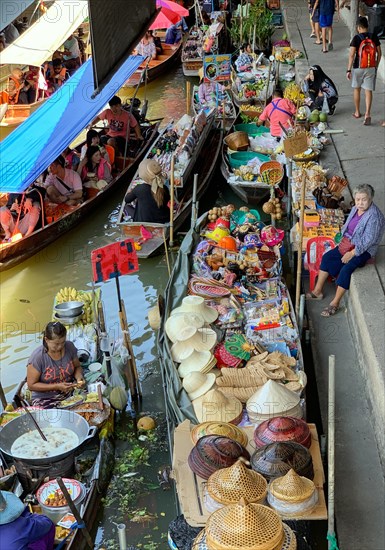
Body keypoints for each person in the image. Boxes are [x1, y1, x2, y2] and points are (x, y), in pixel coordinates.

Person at [306, 184, 385, 317]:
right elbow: (347, 227)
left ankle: (335, 303)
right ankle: (318, 290)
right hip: (347, 243)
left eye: (364, 199)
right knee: (327, 257)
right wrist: (340, 239)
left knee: (346, 269)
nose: (360, 202)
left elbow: (368, 240)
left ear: (371, 199)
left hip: (363, 249)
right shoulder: (355, 208)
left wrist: (352, 253)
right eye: (358, 199)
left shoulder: (374, 217)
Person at [27, 321, 85, 408]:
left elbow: (77, 367)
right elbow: (31, 385)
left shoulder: (69, 347)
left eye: (63, 342)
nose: (60, 346)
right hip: (46, 397)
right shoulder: (37, 357)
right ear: (46, 340)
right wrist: (57, 386)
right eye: (56, 344)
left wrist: (79, 378)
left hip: (70, 390)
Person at [347, 16, 382, 125]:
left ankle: (357, 112)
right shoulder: (374, 37)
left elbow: (352, 55)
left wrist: (348, 69)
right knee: (368, 91)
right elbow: (379, 52)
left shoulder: (356, 38)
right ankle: (367, 113)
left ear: (358, 27)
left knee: (357, 89)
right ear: (367, 26)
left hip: (358, 67)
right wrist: (376, 64)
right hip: (370, 67)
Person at [124, 158, 170, 223]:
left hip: (144, 222)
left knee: (126, 207)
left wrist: (130, 191)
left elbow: (127, 199)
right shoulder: (164, 188)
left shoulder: (139, 188)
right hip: (163, 219)